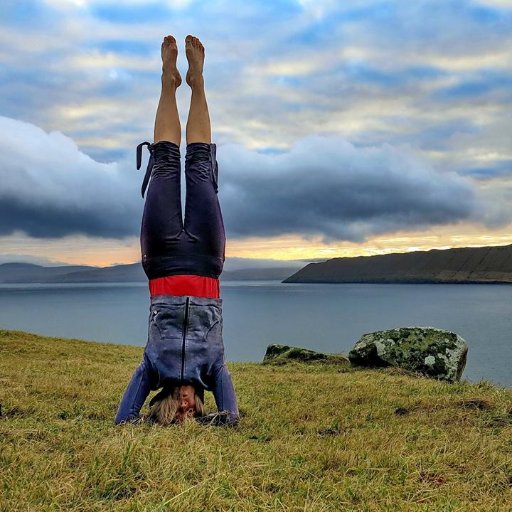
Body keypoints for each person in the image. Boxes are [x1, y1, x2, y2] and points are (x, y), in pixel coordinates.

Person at [115, 34, 239, 426]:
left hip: (162, 261)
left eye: (177, 412)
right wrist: (211, 421)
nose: (187, 406)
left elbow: (124, 419)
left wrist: (149, 421)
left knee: (166, 163)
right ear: (203, 404)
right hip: (206, 261)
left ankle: (169, 81)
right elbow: (231, 417)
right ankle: (198, 81)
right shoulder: (214, 369)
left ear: (164, 404)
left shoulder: (151, 369)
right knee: (200, 165)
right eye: (194, 410)